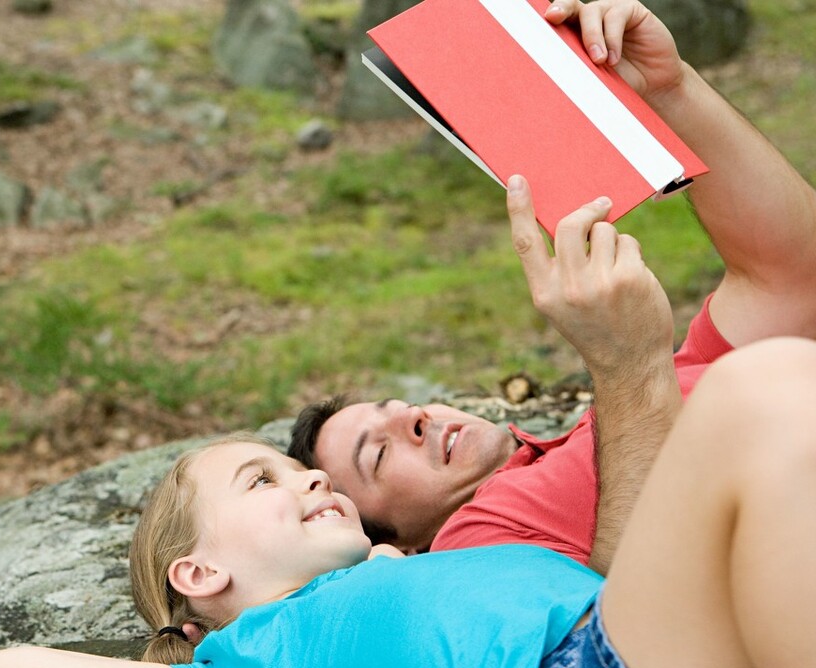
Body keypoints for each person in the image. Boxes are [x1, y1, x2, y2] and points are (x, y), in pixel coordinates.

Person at [0, 334, 816, 668]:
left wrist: (385, 568)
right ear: (200, 574)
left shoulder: (422, 568)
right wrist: (174, 663)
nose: (306, 479)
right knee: (757, 389)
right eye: (262, 479)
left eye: (307, 474)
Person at [287, 0, 816, 574]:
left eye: (403, 407)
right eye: (381, 454)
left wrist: (669, 91)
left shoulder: (618, 420)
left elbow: (789, 277)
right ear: (399, 545)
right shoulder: (476, 545)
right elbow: (631, 633)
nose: (414, 420)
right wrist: (627, 367)